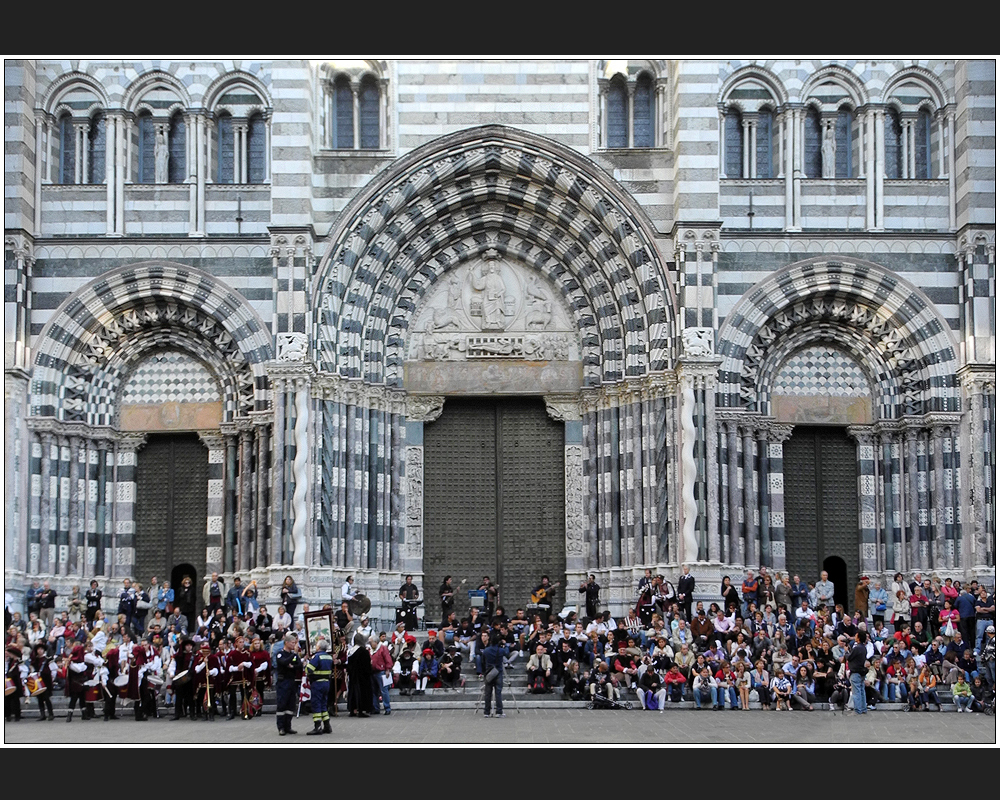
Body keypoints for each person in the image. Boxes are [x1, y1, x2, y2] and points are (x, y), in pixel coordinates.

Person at [274, 633, 302, 735]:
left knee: (291, 705)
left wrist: (292, 666)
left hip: (292, 681)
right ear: (286, 643)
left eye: (295, 643)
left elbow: (299, 665)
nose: (294, 645)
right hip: (283, 682)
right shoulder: (280, 654)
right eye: (292, 642)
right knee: (282, 704)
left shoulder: (293, 655)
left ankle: (288, 726)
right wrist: (293, 655)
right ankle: (281, 727)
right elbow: (284, 662)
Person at [305, 638, 334, 735]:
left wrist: (307, 664)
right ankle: (327, 725)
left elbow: (308, 670)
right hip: (326, 683)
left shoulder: (317, 657)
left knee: (316, 704)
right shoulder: (329, 657)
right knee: (323, 704)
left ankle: (317, 727)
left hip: (317, 683)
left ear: (318, 647)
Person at [346, 633, 373, 716]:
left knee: (353, 691)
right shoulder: (363, 651)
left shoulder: (351, 651)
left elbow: (348, 664)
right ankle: (361, 710)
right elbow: (367, 665)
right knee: (362, 692)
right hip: (362, 676)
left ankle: (352, 709)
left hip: (353, 675)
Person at [847, 629, 869, 714]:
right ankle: (863, 708)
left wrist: (847, 651)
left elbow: (849, 657)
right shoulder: (863, 648)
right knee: (862, 691)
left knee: (856, 692)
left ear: (859, 638)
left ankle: (857, 710)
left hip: (855, 671)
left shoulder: (857, 648)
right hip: (861, 671)